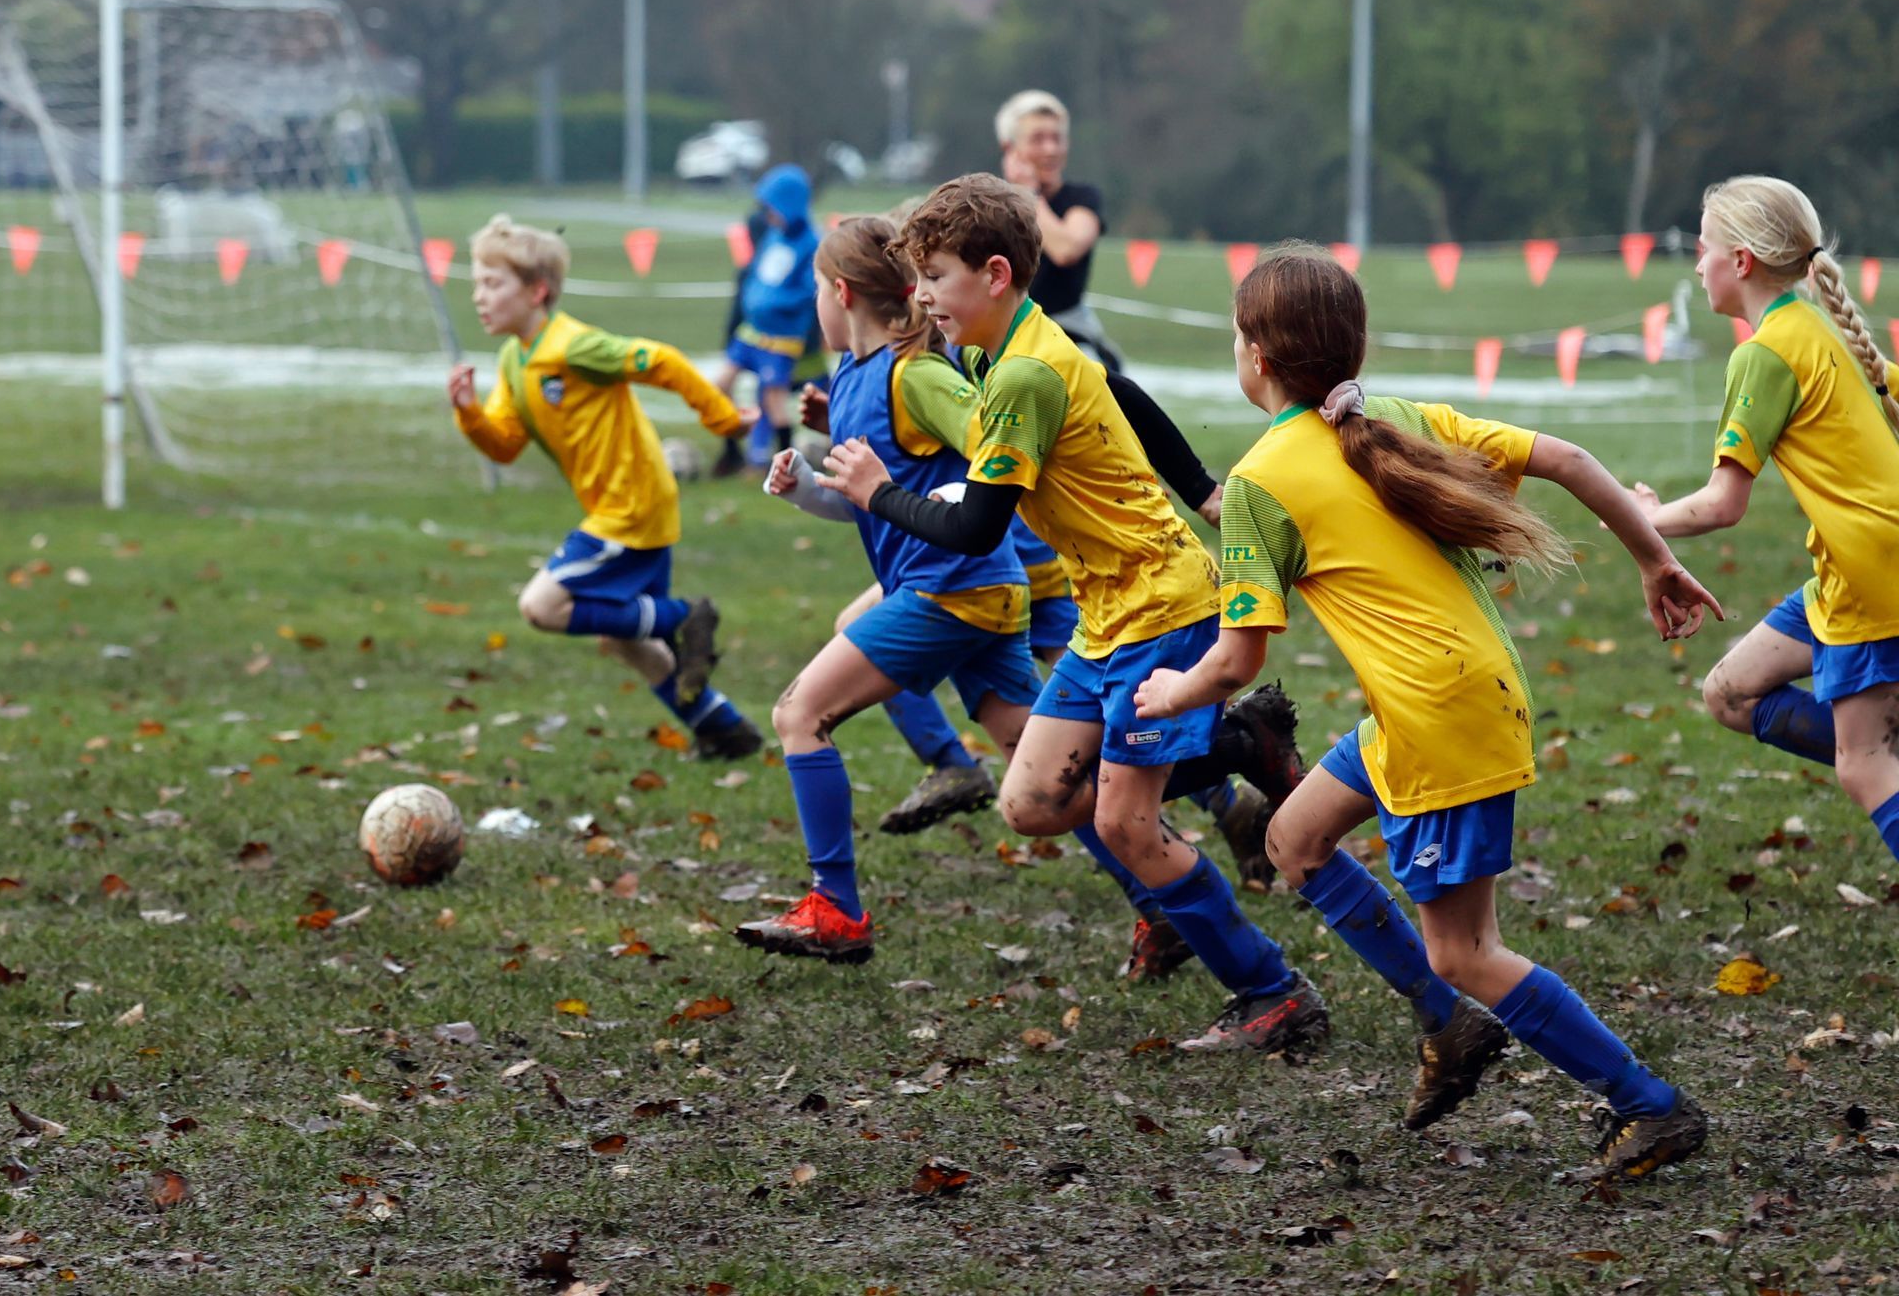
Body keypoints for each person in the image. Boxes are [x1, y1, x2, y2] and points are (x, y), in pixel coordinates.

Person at [1132, 242, 1722, 1177]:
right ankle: (1448, 1029)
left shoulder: (1258, 482)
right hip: (1442, 699)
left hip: (1440, 717)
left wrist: (1170, 690)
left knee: (1468, 950)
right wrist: (1653, 556)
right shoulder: (1393, 415)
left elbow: (1238, 659)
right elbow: (1566, 457)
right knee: (1293, 839)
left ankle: (1648, 1106)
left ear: (1259, 358)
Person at [817, 175, 1329, 1056]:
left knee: (1121, 822)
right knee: (1031, 802)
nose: (923, 295)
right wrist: (1205, 490)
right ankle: (1233, 748)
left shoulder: (1018, 367)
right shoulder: (991, 354)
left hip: (1157, 600)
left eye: (936, 275)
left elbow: (977, 527)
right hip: (1103, 612)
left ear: (997, 273)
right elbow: (1118, 395)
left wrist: (880, 490)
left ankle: (1274, 992)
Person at [737, 216, 1167, 965]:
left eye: (815, 290)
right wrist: (807, 486)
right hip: (972, 590)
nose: (815, 305)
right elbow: (871, 496)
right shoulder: (854, 375)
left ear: (840, 293)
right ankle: (1162, 906)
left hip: (953, 589)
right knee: (1051, 779)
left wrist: (952, 505)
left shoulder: (916, 374)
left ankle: (835, 907)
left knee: (799, 712)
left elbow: (1003, 444)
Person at [1631, 176, 1899, 868]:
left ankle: (1879, 745)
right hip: (1847, 574)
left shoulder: (1767, 350)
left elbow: (1724, 503)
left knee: (1863, 765)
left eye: (1703, 249)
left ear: (1741, 261)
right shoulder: (1817, 326)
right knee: (1728, 692)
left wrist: (1643, 517)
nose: (1696, 266)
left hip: (1872, 578)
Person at [446, 214, 762, 760]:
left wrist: (722, 419)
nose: (479, 297)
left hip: (631, 507)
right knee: (624, 640)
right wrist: (471, 414)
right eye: (477, 284)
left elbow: (660, 361)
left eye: (493, 284)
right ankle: (725, 729)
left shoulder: (573, 348)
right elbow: (505, 444)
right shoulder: (515, 358)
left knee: (541, 606)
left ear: (536, 290)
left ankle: (685, 618)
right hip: (625, 507)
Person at [996, 89, 1122, 373]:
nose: (1051, 149)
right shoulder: (991, 204)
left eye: (1057, 138)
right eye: (1038, 139)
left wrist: (1029, 194)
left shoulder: (1082, 198)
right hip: (1004, 334)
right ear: (1010, 149)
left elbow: (1066, 249)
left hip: (1071, 335)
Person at [711, 165, 820, 477]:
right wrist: (753, 296)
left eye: (772, 206)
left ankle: (784, 462)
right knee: (720, 387)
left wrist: (773, 301)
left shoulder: (810, 243)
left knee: (774, 401)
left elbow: (808, 290)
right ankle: (732, 453)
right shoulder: (773, 236)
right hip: (751, 332)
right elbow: (759, 272)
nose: (767, 214)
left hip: (781, 338)